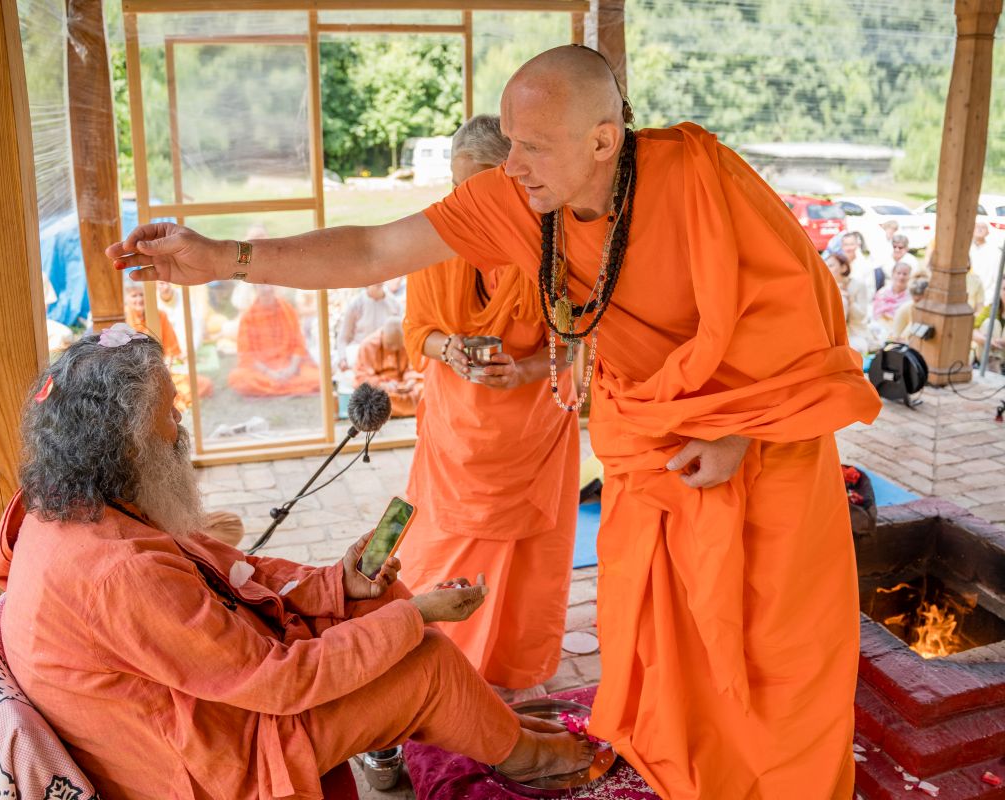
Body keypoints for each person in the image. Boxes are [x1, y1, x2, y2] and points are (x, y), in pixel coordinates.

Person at [110, 44, 882, 799]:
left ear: (603, 141)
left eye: (532, 146)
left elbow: (809, 318)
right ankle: (683, 764)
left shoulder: (700, 180)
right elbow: (374, 248)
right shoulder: (518, 200)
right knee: (664, 629)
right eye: (509, 142)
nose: (512, 165)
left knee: (775, 643)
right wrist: (226, 258)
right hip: (652, 446)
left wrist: (741, 434)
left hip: (762, 440)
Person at [0, 328, 595, 799]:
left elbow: (237, 574)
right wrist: (417, 615)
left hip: (213, 703)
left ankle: (494, 733)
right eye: (169, 412)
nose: (180, 425)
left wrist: (339, 584)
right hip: (209, 759)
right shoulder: (120, 570)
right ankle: (527, 757)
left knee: (377, 602)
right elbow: (277, 680)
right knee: (426, 661)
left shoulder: (79, 503)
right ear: (121, 441)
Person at [396, 114, 579, 703]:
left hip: (533, 428)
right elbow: (417, 331)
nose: (464, 203)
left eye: (477, 188)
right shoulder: (436, 235)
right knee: (439, 546)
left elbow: (579, 342)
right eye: (457, 187)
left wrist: (523, 371)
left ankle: (514, 670)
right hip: (455, 432)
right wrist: (447, 347)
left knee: (528, 563)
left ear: (515, 178)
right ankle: (438, 667)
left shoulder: (557, 242)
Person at [124, 283, 212, 410]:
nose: (139, 299)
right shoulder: (123, 319)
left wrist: (163, 374)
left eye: (142, 295)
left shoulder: (160, 315)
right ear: (127, 299)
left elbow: (170, 349)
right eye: (134, 296)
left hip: (160, 371)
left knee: (202, 384)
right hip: (134, 377)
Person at [229, 284, 320, 397]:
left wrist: (291, 369)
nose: (267, 289)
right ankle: (289, 386)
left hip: (289, 366)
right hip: (263, 371)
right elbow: (247, 355)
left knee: (318, 377)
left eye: (270, 284)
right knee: (239, 379)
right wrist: (270, 373)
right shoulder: (248, 317)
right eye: (262, 286)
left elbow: (299, 345)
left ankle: (276, 387)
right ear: (256, 288)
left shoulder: (288, 310)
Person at [353, 317, 422, 417]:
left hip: (404, 389)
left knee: (423, 390)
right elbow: (361, 377)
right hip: (381, 390)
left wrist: (410, 380)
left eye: (398, 346)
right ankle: (403, 410)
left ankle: (389, 412)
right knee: (370, 399)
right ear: (382, 335)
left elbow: (414, 367)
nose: (394, 348)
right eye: (390, 345)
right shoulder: (367, 346)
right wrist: (382, 385)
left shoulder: (407, 342)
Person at [335, 283, 401, 371]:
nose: (378, 281)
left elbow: (400, 336)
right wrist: (343, 359)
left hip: (385, 358)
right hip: (359, 355)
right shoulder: (355, 304)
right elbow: (343, 338)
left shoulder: (394, 304)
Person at [826, 252, 877, 354]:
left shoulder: (859, 285)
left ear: (843, 268)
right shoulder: (825, 286)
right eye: (826, 266)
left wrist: (850, 301)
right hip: (831, 336)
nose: (827, 269)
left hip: (856, 333)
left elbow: (861, 316)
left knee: (851, 351)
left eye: (831, 265)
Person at [973, 280, 1005, 372]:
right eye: (1004, 289)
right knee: (991, 323)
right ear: (1000, 291)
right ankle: (992, 364)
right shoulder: (992, 308)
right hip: (986, 355)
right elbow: (973, 331)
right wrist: (987, 340)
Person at [888, 278, 928, 343]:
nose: (919, 305)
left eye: (922, 301)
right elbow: (896, 337)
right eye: (916, 301)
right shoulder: (904, 309)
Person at [871, 261, 911, 325]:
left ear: (909, 277)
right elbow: (875, 315)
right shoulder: (882, 293)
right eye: (898, 273)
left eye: (905, 274)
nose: (901, 277)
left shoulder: (911, 297)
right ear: (892, 274)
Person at [970, 220, 1004, 294]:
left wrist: (990, 294)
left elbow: (997, 277)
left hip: (986, 294)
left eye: (983, 227)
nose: (979, 229)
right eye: (977, 227)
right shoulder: (966, 249)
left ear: (988, 232)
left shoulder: (995, 252)